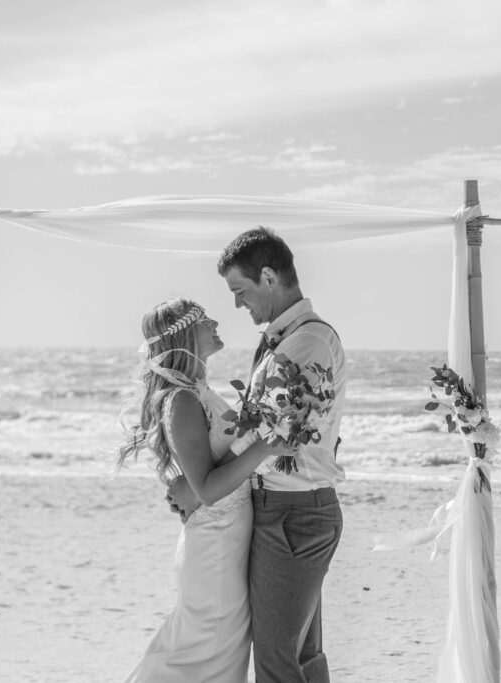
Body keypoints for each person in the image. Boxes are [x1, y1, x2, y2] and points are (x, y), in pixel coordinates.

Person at [168, 227, 348, 683]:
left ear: (269, 277)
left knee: (278, 663)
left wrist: (200, 485)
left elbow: (275, 434)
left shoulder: (305, 343)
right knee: (300, 658)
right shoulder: (288, 339)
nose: (236, 304)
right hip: (288, 509)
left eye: (239, 291)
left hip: (293, 513)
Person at [116, 297, 272, 683]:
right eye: (204, 319)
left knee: (212, 659)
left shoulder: (198, 391)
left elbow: (204, 475)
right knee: (201, 661)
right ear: (186, 332)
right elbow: (206, 489)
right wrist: (268, 445)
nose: (215, 322)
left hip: (226, 544)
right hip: (214, 550)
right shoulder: (182, 400)